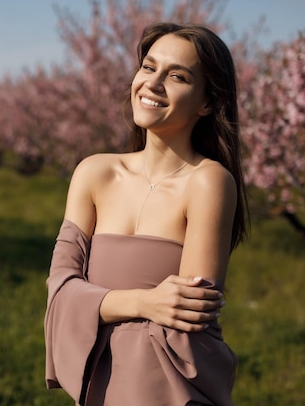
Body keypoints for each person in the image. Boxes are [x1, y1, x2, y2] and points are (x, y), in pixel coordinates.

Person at [44, 22, 249, 406]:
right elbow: (59, 289)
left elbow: (188, 317)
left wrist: (101, 303)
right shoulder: (94, 172)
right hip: (98, 385)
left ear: (206, 102)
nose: (152, 84)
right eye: (148, 67)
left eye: (177, 76)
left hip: (168, 387)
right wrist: (145, 302)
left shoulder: (208, 182)